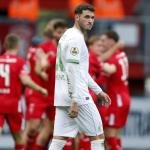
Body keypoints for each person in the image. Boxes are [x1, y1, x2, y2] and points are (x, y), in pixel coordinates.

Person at [48, 3, 111, 150]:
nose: (90, 20)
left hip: (62, 96)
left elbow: (80, 71)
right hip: (78, 97)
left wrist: (98, 91)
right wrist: (75, 99)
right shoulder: (76, 39)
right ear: (76, 17)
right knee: (98, 137)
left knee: (59, 139)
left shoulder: (67, 35)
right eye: (86, 17)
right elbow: (71, 69)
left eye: (93, 18)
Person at [0, 34, 47, 150]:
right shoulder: (20, 62)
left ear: (5, 45)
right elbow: (25, 80)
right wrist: (40, 89)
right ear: (18, 46)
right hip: (13, 105)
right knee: (19, 139)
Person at [97, 31, 130, 150]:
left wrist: (96, 65)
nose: (100, 43)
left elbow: (109, 69)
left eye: (103, 41)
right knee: (115, 134)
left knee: (109, 136)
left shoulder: (111, 59)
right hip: (124, 97)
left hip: (117, 100)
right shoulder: (122, 54)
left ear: (111, 42)